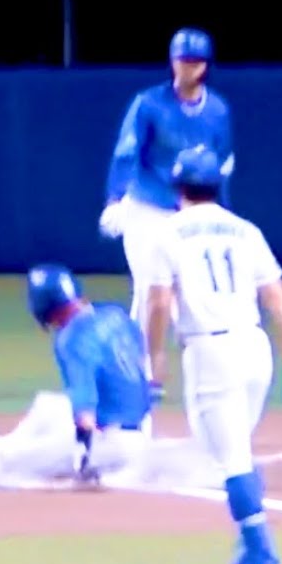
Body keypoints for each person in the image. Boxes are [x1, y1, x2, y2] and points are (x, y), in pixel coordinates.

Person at [145, 147, 282, 564]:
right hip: (256, 348)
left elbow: (159, 303)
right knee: (236, 449)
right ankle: (250, 548)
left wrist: (156, 359)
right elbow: (275, 294)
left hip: (211, 353)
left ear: (177, 186)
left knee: (230, 459)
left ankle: (261, 559)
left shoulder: (166, 234)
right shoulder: (246, 230)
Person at [99, 27, 234, 394]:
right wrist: (115, 198)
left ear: (205, 66)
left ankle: (206, 369)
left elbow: (221, 165)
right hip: (147, 206)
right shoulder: (149, 103)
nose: (186, 67)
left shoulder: (218, 110)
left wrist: (222, 211)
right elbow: (127, 151)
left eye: (194, 61)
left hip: (192, 209)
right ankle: (139, 374)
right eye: (181, 60)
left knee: (194, 295)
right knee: (149, 289)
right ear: (172, 62)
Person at [0, 264, 153, 485]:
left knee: (14, 463)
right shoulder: (116, 314)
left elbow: (85, 413)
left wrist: (82, 459)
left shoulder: (72, 339)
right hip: (140, 429)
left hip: (113, 446)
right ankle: (4, 444)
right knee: (47, 405)